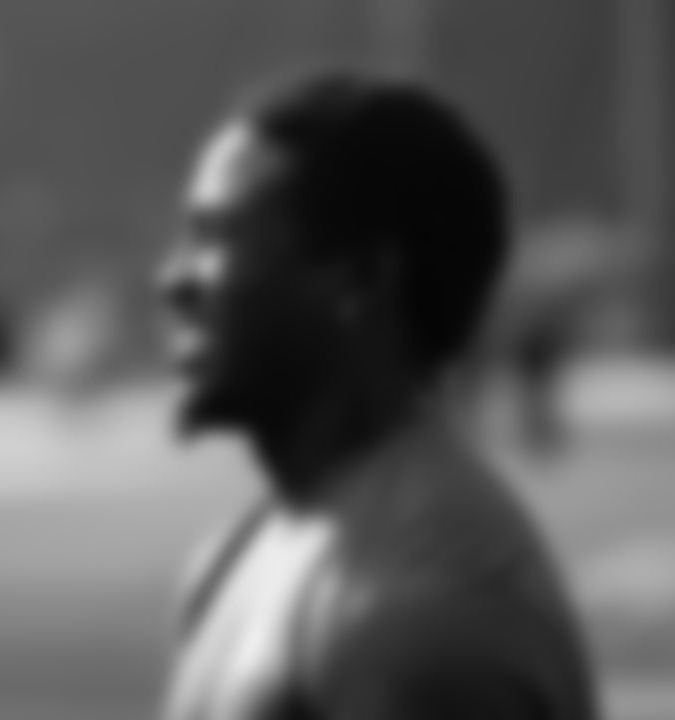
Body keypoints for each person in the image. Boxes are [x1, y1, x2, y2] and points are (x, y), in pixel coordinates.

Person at [155, 71, 597, 720]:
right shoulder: (239, 553)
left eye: (217, 237)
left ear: (358, 278)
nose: (173, 281)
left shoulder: (422, 605)